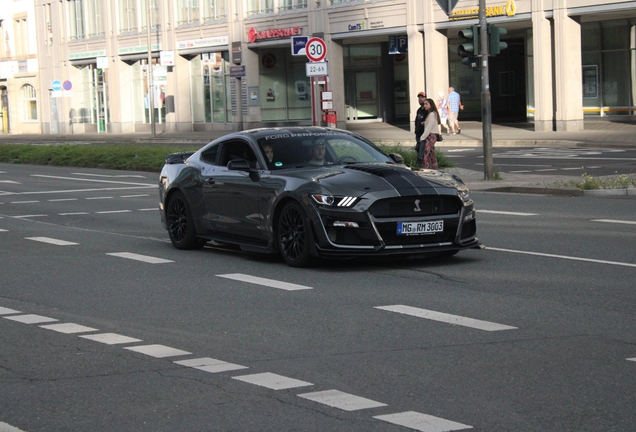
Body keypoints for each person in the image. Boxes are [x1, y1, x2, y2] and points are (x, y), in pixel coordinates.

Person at [418, 98, 441, 169]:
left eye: (426, 104)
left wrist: (422, 138)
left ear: (431, 105)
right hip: (432, 135)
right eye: (424, 104)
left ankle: (426, 169)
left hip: (430, 135)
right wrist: (425, 122)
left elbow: (428, 128)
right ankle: (435, 169)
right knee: (431, 153)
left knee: (425, 154)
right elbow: (431, 123)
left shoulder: (431, 114)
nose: (424, 105)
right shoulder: (433, 113)